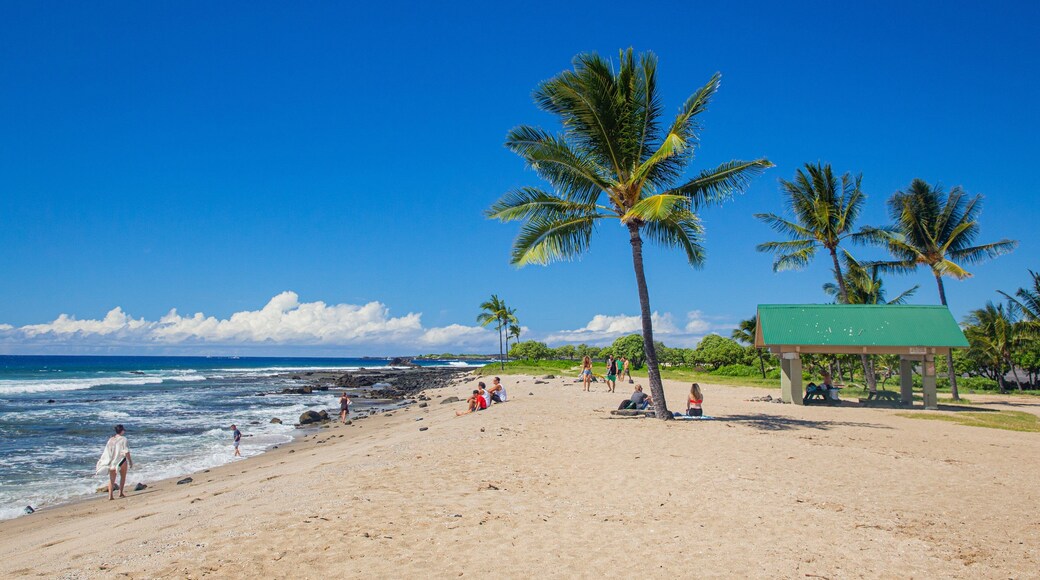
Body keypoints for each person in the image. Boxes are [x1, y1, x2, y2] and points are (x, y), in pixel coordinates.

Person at [95, 424, 132, 500]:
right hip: (121, 461)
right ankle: (120, 493)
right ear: (121, 431)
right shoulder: (123, 439)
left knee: (112, 479)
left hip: (112, 462)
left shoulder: (110, 440)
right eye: (123, 430)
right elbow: (126, 451)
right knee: (123, 477)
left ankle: (110, 496)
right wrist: (130, 461)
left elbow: (107, 452)